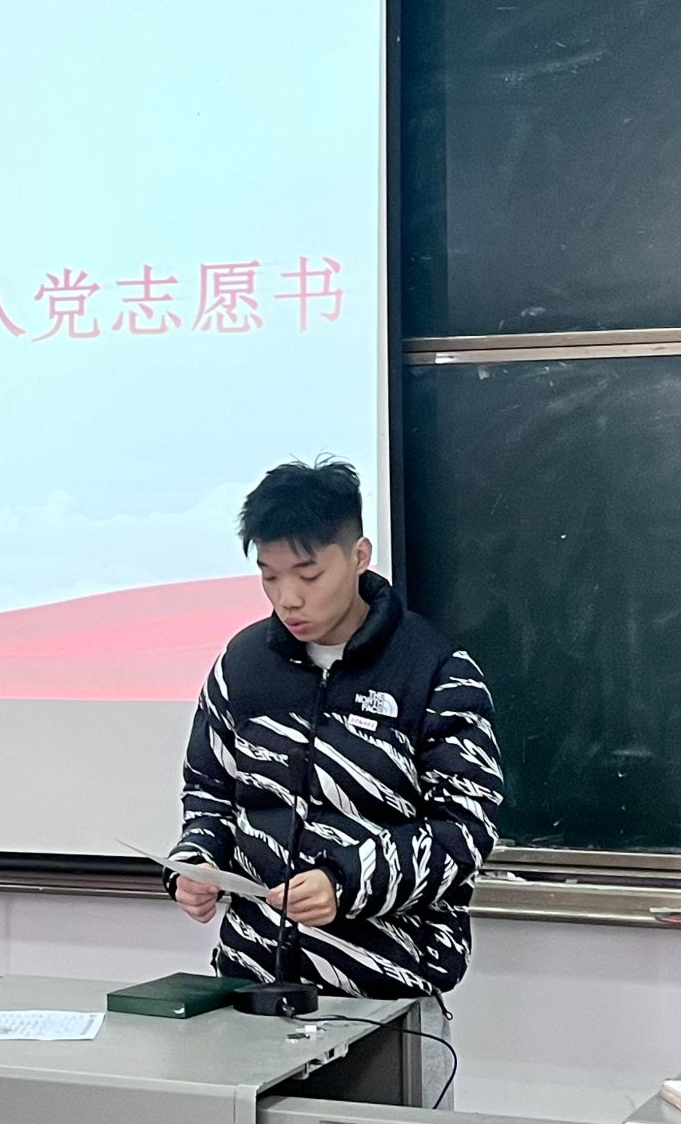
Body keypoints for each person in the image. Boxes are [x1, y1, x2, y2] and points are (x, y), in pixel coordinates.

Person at [168, 458, 503, 1109]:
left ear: (358, 556)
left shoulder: (434, 671)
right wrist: (196, 862)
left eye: (308, 573)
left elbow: (466, 829)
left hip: (385, 1001)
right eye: (269, 576)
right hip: (251, 994)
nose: (287, 598)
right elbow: (209, 790)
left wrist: (346, 883)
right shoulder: (242, 666)